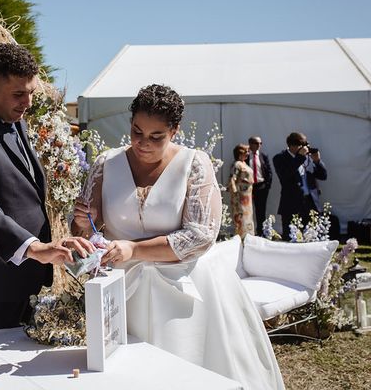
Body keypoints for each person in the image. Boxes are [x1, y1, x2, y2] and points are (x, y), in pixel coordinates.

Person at [71, 84, 284, 389]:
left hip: (186, 290)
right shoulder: (107, 163)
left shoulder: (194, 164)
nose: (143, 143)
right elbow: (85, 230)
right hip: (122, 293)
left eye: (156, 136)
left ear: (175, 131)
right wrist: (82, 222)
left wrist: (134, 249)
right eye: (136, 132)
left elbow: (200, 235)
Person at [0, 43, 94, 337]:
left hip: (22, 279)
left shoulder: (14, 119)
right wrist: (33, 248)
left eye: (32, 92)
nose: (29, 102)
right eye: (19, 94)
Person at [272, 132, 327, 240]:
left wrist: (317, 161)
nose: (304, 148)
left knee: (312, 236)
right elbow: (284, 176)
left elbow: (323, 176)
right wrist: (299, 157)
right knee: (291, 237)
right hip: (291, 203)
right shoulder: (280, 158)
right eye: (300, 144)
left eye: (305, 144)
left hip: (310, 202)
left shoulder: (306, 158)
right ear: (291, 145)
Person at [227, 143, 255, 237]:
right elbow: (232, 178)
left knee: (248, 216)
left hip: (247, 194)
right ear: (240, 153)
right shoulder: (237, 164)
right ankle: (241, 236)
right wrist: (235, 193)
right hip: (240, 194)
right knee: (241, 215)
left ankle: (248, 235)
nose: (248, 154)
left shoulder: (244, 164)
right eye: (246, 152)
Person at [247, 135, 273, 235]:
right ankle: (248, 232)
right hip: (248, 187)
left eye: (260, 143)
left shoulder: (263, 156)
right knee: (247, 210)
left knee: (261, 211)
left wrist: (267, 185)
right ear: (250, 144)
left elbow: (269, 172)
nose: (259, 145)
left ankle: (261, 232)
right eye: (256, 143)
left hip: (261, 186)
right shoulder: (246, 156)